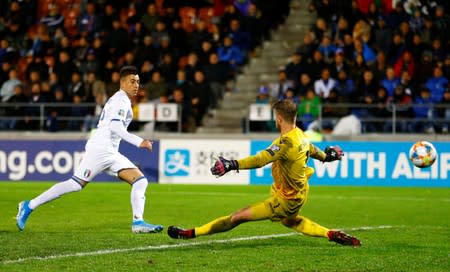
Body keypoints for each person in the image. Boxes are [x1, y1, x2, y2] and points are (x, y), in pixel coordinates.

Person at [167, 100, 361, 247]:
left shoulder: (285, 143)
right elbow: (318, 154)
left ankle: (189, 233)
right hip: (299, 194)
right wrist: (330, 156)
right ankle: (331, 234)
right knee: (291, 222)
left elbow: (260, 160)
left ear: (278, 119)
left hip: (285, 199)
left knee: (237, 217)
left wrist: (232, 164)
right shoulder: (301, 135)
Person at [16, 66, 163, 234]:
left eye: (138, 81)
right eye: (132, 81)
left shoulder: (121, 100)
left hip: (110, 151)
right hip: (101, 150)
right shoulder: (121, 100)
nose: (136, 85)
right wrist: (140, 142)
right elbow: (115, 126)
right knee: (75, 184)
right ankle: (29, 205)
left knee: (140, 181)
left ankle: (138, 222)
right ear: (122, 82)